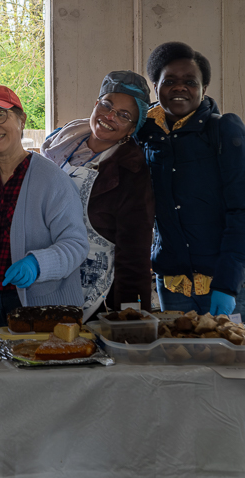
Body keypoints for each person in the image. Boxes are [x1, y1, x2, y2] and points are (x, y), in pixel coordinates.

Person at [138, 41, 245, 320]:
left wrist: (227, 284)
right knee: (178, 349)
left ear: (203, 88)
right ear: (156, 86)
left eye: (190, 82)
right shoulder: (146, 137)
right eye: (169, 81)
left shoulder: (225, 130)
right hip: (173, 283)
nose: (179, 87)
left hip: (225, 279)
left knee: (227, 350)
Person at [0, 85, 88, 327]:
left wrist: (37, 264)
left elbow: (76, 245)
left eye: (0, 115)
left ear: (21, 120)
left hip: (43, 311)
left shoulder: (52, 179)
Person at [41, 71, 155, 319]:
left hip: (94, 290)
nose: (110, 116)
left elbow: (134, 250)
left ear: (132, 129)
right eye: (107, 105)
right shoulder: (59, 147)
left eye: (124, 115)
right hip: (46, 273)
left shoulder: (132, 171)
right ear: (96, 104)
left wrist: (130, 315)